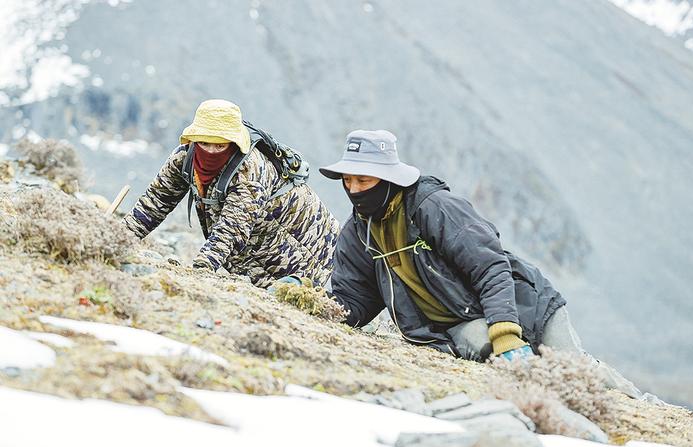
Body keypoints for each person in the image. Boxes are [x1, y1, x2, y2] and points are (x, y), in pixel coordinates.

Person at [317, 129, 642, 398]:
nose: (354, 190)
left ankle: (638, 403)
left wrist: (505, 332)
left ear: (388, 179)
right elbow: (355, 299)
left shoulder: (434, 208)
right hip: (461, 321)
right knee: (497, 357)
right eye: (348, 181)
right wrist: (315, 304)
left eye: (364, 180)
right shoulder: (359, 232)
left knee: (574, 369)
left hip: (524, 303)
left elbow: (490, 265)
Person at [123, 99, 339, 288]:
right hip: (259, 247)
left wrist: (203, 266)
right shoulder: (183, 159)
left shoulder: (250, 169)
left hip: (309, 244)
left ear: (234, 143)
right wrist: (120, 238)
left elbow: (233, 227)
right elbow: (155, 202)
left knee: (290, 299)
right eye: (205, 143)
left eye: (220, 145)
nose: (211, 151)